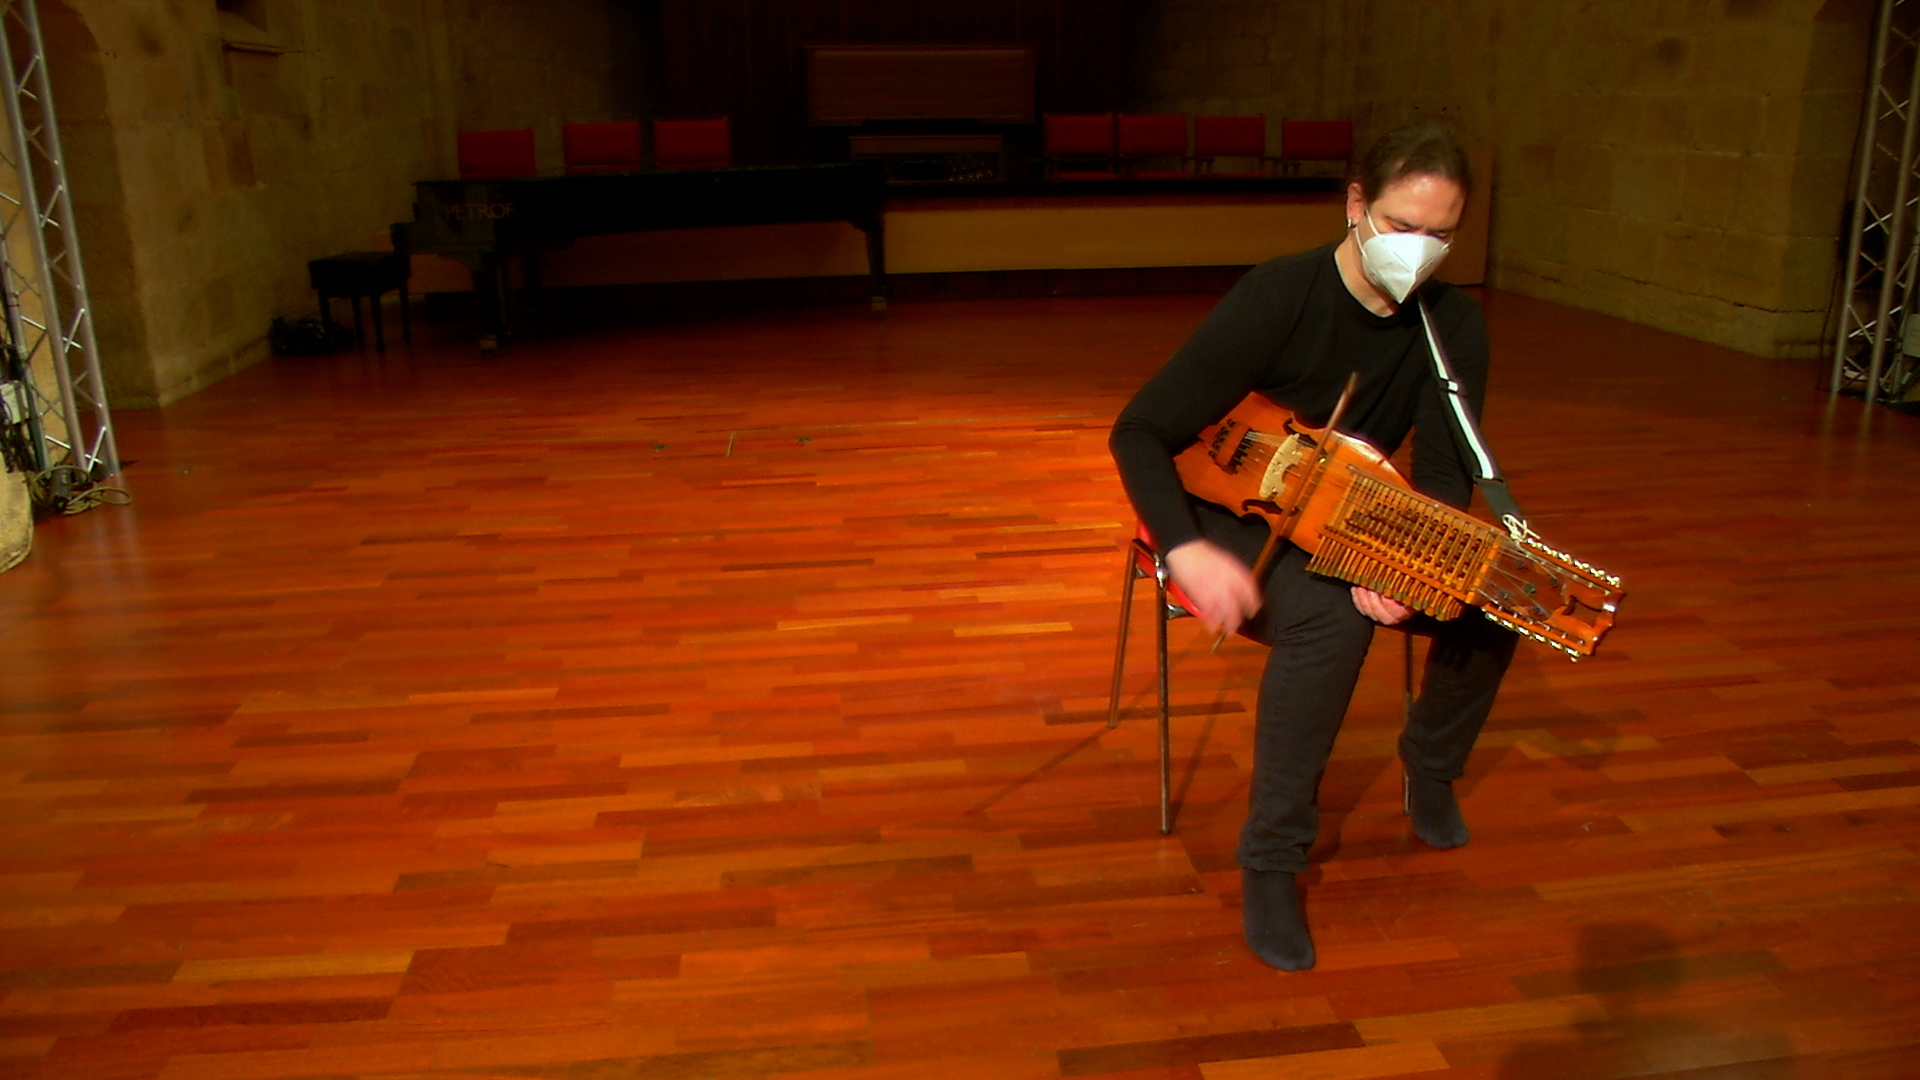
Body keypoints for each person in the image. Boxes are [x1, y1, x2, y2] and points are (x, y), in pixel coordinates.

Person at [1108, 119, 1518, 971]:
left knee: (1493, 592)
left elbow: (1443, 474)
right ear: (1356, 204)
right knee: (1332, 623)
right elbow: (1141, 430)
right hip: (1228, 506)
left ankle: (1428, 765)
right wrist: (1182, 549)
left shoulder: (1454, 325)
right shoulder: (1279, 293)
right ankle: (1271, 858)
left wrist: (1408, 563)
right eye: (1403, 227)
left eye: (1441, 235)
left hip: (1352, 507)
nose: (1421, 251)